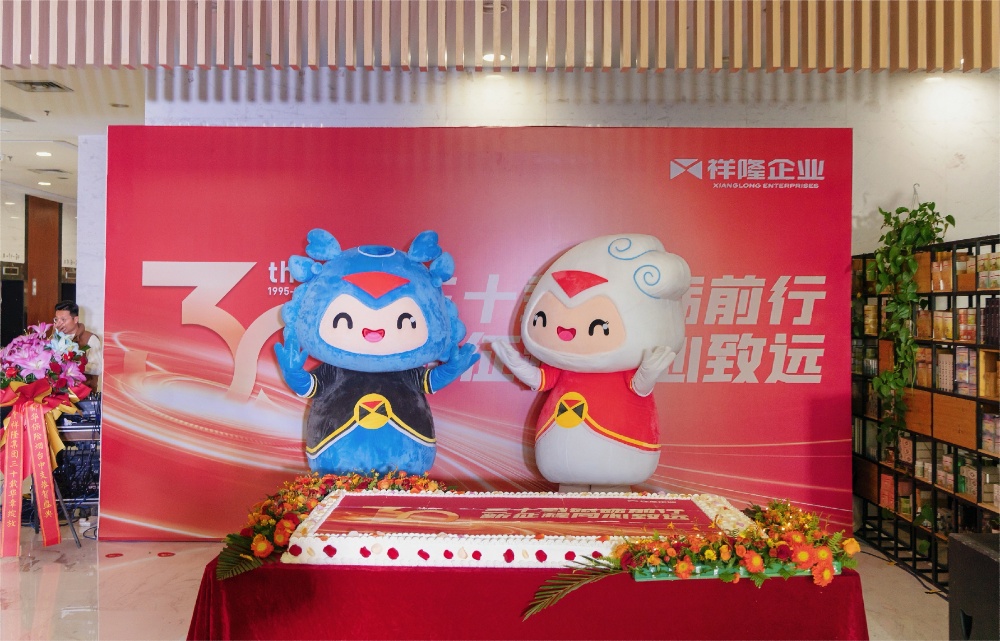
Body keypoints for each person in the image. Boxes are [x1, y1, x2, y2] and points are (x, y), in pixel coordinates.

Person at [53, 300, 103, 393]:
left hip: (82, 394)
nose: (59, 324)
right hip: (58, 392)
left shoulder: (90, 339)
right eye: (56, 320)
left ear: (75, 319)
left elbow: (98, 368)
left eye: (63, 320)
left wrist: (74, 365)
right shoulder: (55, 338)